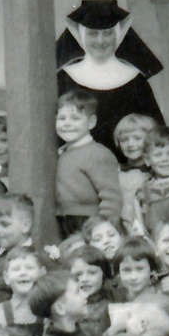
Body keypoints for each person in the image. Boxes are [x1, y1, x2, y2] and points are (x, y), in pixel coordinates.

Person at [55, 0, 166, 163]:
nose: (100, 41)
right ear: (81, 35)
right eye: (93, 34)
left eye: (107, 33)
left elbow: (156, 134)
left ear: (119, 35)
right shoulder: (65, 78)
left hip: (127, 169)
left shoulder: (136, 80)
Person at [54, 89, 122, 238]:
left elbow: (111, 197)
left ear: (91, 122)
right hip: (63, 221)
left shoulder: (97, 153)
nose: (67, 124)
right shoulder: (60, 153)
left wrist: (103, 228)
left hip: (89, 222)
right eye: (62, 118)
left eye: (75, 118)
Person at [0, 246, 45, 335]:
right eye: (16, 269)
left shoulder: (49, 312)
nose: (23, 273)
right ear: (6, 277)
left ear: (42, 273)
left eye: (29, 268)